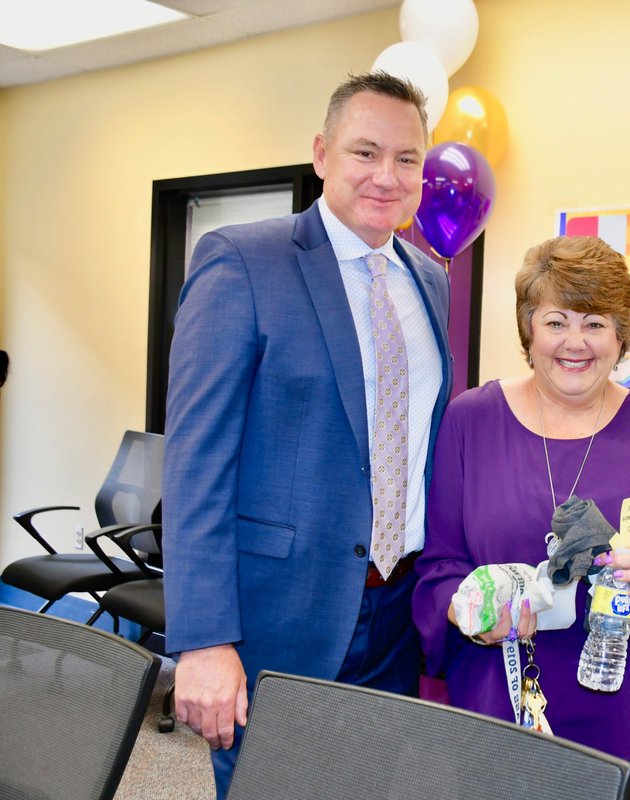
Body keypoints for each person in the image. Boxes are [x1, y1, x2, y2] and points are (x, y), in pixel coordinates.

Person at [162, 73, 451, 798]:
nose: (387, 176)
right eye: (365, 152)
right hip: (280, 618)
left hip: (395, 611)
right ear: (322, 154)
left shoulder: (431, 281)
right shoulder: (242, 260)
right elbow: (196, 465)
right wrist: (202, 638)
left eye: (408, 158)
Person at [413, 236, 630, 800]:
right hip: (498, 716)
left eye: (596, 323)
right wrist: (473, 614)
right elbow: (439, 568)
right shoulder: (470, 422)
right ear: (527, 330)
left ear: (621, 336)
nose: (575, 343)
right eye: (556, 322)